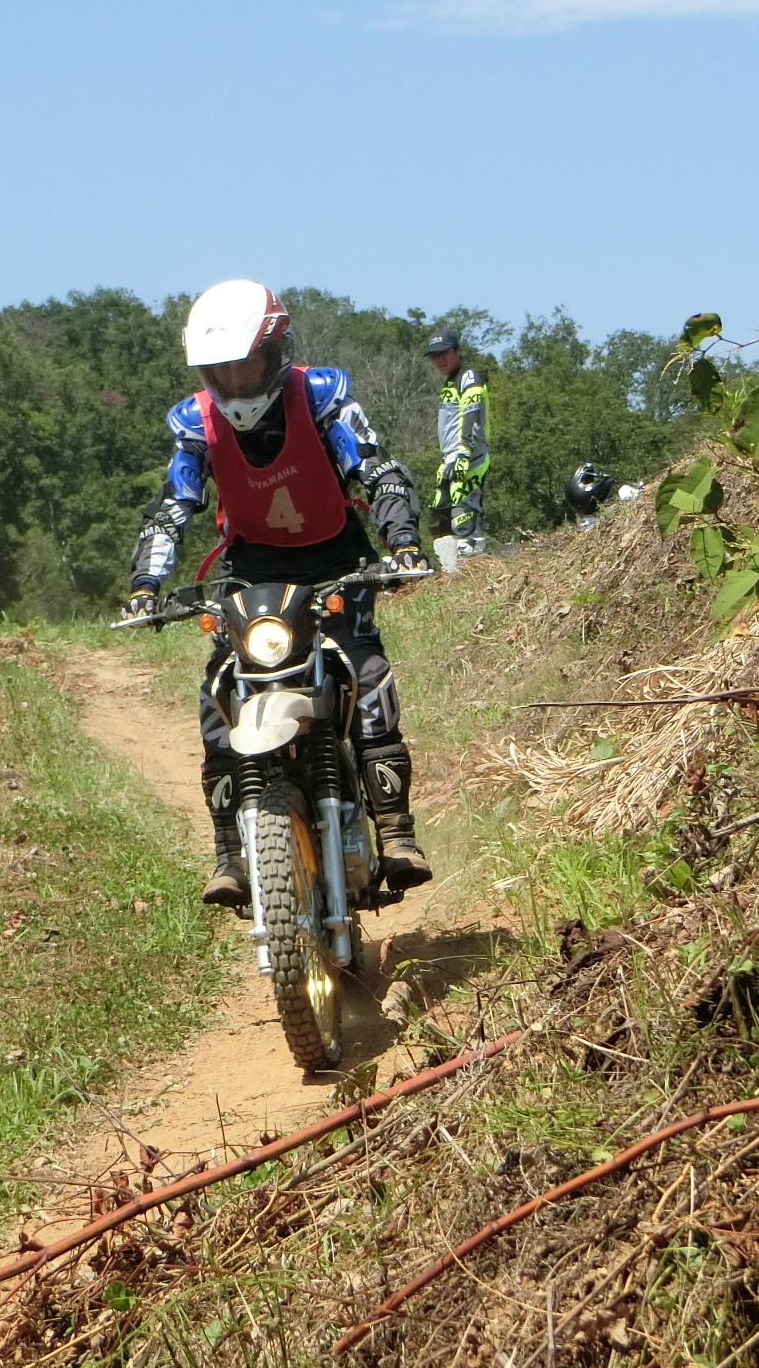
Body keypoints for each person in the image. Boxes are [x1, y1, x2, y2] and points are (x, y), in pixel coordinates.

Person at [122, 280, 434, 906]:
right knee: (221, 691)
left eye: (247, 364)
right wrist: (146, 585)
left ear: (276, 351)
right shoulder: (194, 422)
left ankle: (396, 831)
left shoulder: (322, 396)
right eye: (221, 369)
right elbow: (173, 505)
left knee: (365, 671)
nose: (236, 380)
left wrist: (401, 541)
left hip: (338, 561)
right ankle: (230, 853)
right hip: (252, 569)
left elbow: (374, 466)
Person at [424, 330, 490, 564]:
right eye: (434, 356)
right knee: (438, 514)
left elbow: (472, 413)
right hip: (450, 457)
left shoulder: (468, 376)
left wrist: (464, 451)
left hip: (469, 454)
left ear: (457, 351)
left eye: (444, 353)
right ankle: (450, 565)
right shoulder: (449, 383)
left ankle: (473, 560)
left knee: (463, 511)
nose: (439, 360)